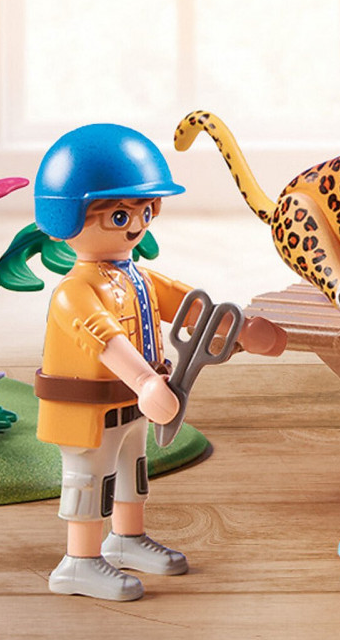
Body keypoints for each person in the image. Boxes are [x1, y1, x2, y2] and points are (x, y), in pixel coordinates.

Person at [33, 124, 285, 601]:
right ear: (68, 216)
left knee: (132, 470)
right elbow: (104, 340)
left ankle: (126, 539)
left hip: (134, 406)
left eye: (145, 211)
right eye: (120, 214)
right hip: (88, 412)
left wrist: (240, 330)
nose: (136, 225)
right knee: (90, 479)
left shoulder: (137, 278)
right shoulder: (74, 292)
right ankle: (79, 562)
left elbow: (190, 305)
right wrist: (146, 381)